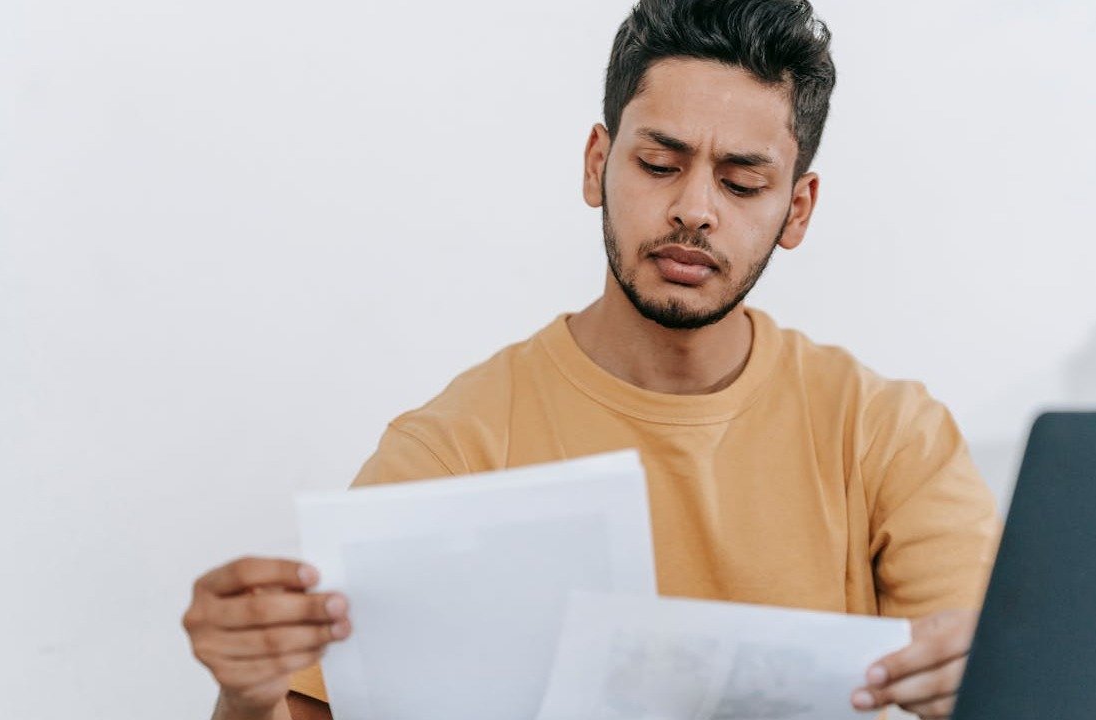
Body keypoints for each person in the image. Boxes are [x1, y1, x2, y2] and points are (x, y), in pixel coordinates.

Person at [180, 1, 1000, 718]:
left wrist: (993, 687)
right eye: (659, 164)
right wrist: (245, 698)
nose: (693, 210)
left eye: (742, 183)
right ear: (597, 163)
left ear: (798, 209)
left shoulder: (887, 435)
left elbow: (1013, 686)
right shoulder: (453, 451)